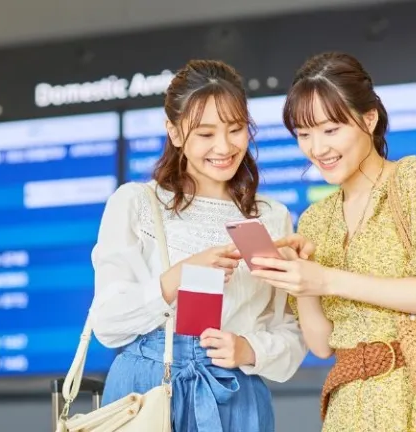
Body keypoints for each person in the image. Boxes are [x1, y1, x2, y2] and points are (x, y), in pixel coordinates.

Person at [250, 51, 416, 431]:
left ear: (369, 119)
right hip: (348, 408)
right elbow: (321, 346)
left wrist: (326, 280)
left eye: (330, 129)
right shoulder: (316, 220)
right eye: (303, 135)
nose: (317, 148)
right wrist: (303, 284)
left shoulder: (411, 178)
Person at [89, 59, 308, 432]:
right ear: (174, 133)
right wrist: (177, 277)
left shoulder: (270, 217)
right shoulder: (137, 203)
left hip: (234, 394)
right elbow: (107, 324)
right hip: (145, 394)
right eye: (205, 134)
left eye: (236, 129)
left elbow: (290, 330)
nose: (224, 147)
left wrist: (248, 349)